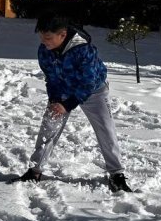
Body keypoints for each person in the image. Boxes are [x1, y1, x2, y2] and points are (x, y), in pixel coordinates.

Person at [18, 14, 132, 192]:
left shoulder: (83, 50)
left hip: (94, 91)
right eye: (41, 37)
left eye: (48, 38)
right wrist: (55, 101)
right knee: (49, 126)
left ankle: (116, 174)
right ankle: (35, 170)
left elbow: (89, 82)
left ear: (62, 35)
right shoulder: (44, 51)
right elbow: (52, 78)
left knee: (106, 130)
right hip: (63, 91)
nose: (44, 42)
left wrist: (67, 104)